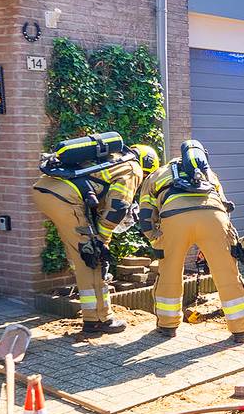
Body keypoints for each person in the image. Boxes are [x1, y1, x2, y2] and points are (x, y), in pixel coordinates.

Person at [32, 134, 159, 335]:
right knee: (91, 257)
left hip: (47, 190)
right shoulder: (132, 168)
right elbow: (119, 205)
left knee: (79, 251)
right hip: (65, 198)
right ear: (147, 167)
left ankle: (94, 312)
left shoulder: (113, 159)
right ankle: (98, 320)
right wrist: (103, 239)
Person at [138, 140, 244, 343]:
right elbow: (224, 208)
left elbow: (145, 215)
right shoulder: (209, 174)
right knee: (227, 273)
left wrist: (156, 240)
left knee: (170, 272)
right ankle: (240, 329)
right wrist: (228, 241)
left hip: (174, 219)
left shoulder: (157, 175)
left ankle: (167, 326)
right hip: (214, 218)